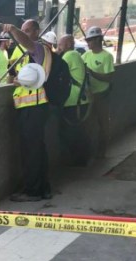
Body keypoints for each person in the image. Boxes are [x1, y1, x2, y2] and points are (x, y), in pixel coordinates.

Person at [2, 19, 52, 202]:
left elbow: (27, 42)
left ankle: (33, 191)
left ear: (37, 32)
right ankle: (41, 187)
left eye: (28, 30)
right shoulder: (26, 52)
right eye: (23, 30)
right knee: (36, 149)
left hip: (34, 107)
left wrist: (14, 29)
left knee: (31, 150)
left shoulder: (39, 49)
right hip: (29, 107)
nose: (24, 33)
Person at [57, 34, 91, 166]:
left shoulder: (69, 55)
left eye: (60, 44)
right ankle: (81, 160)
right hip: (79, 100)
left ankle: (79, 161)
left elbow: (57, 71)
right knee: (78, 132)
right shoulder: (76, 55)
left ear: (69, 45)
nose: (58, 47)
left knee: (72, 133)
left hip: (73, 101)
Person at [82, 26, 115, 159]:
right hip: (88, 94)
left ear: (97, 40)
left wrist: (91, 72)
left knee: (103, 124)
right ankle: (88, 151)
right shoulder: (85, 55)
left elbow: (109, 77)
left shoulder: (107, 57)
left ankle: (102, 152)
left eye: (90, 40)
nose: (88, 43)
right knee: (88, 125)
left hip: (101, 94)